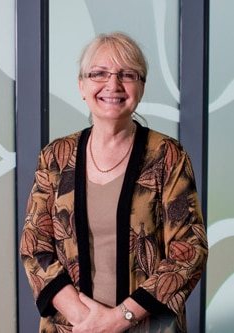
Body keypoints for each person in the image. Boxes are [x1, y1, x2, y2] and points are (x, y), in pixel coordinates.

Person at [20, 32, 208, 333]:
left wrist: (118, 319)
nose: (113, 85)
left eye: (127, 74)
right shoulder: (55, 158)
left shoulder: (168, 156)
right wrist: (84, 319)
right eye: (99, 74)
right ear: (82, 86)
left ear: (141, 87)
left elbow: (189, 250)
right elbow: (35, 247)